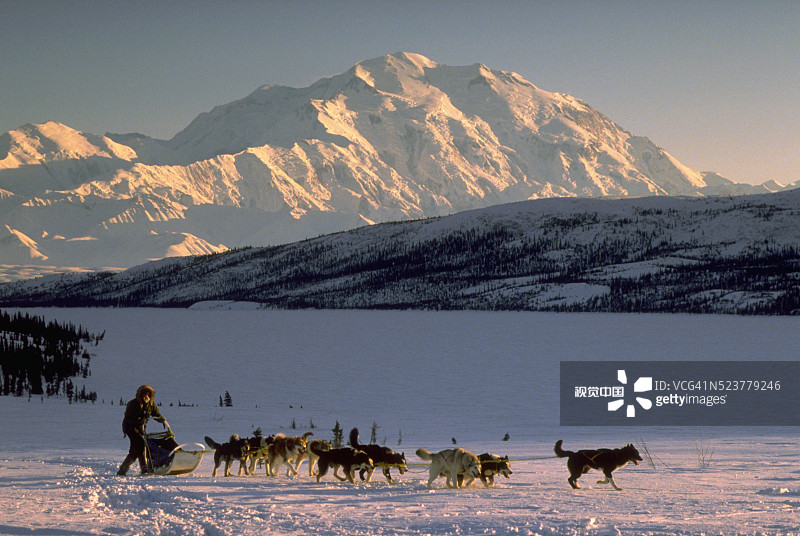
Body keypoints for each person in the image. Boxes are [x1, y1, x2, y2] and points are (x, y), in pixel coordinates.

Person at [116, 384, 168, 475]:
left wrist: (160, 419)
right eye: (144, 394)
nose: (146, 396)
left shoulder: (151, 404)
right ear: (140, 395)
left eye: (148, 394)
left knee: (142, 446)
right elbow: (128, 419)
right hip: (130, 427)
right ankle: (124, 470)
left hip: (140, 428)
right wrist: (140, 421)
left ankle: (144, 469)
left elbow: (155, 414)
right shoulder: (132, 404)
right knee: (138, 445)